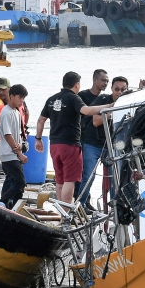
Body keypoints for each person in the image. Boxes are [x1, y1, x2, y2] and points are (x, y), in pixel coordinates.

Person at [34, 71, 107, 211]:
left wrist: (38, 138)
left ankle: (62, 212)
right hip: (70, 145)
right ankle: (66, 214)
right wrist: (108, 106)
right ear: (77, 84)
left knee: (60, 181)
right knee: (70, 181)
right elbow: (86, 111)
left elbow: (41, 120)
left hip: (54, 145)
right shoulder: (73, 98)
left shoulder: (51, 99)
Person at [92, 76, 129, 209]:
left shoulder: (130, 100)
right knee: (89, 175)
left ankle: (116, 205)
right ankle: (84, 202)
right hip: (98, 142)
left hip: (119, 144)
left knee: (118, 176)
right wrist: (115, 109)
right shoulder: (104, 100)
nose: (119, 92)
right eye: (117, 89)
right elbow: (95, 121)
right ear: (112, 89)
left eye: (123, 90)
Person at [77, 69, 109, 205]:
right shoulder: (83, 96)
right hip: (84, 139)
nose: (105, 83)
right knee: (87, 174)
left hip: (100, 141)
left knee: (90, 174)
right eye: (103, 80)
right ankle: (81, 202)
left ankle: (87, 202)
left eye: (107, 81)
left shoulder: (104, 98)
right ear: (95, 80)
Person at [0, 84, 29, 210]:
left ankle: (15, 207)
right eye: (19, 97)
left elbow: (18, 134)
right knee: (20, 182)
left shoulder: (16, 112)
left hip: (14, 153)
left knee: (16, 182)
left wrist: (21, 144)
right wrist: (20, 154)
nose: (22, 100)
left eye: (23, 98)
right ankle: (2, 202)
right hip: (8, 154)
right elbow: (7, 134)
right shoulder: (6, 112)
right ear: (11, 96)